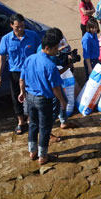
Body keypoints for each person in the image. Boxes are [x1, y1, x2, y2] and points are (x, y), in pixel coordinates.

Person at [18, 31, 67, 165]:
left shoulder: (30, 59)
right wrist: (62, 101)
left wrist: (22, 92)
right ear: (47, 48)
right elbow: (55, 88)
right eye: (55, 48)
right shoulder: (50, 66)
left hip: (29, 97)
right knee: (45, 128)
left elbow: (22, 79)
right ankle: (43, 156)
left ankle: (32, 151)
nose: (56, 51)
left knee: (33, 125)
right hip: (42, 100)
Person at [0, 13, 41, 135]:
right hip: (15, 73)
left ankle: (30, 119)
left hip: (31, 72)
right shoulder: (6, 39)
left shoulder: (33, 36)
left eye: (22, 26)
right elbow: (2, 56)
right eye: (17, 27)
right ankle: (20, 121)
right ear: (11, 26)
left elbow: (40, 52)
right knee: (17, 97)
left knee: (32, 97)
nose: (20, 29)